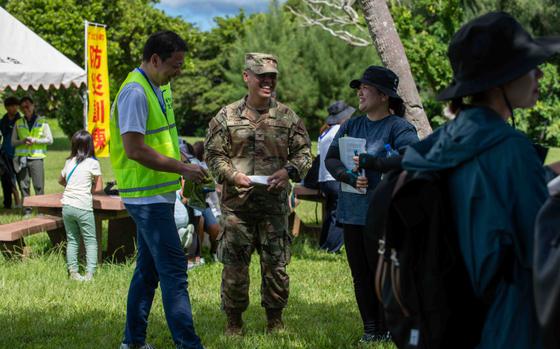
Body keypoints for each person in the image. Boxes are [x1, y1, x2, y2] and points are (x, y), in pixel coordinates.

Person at [400, 12, 560, 349]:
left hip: (456, 320)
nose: (540, 73)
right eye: (529, 65)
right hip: (510, 325)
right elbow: (542, 248)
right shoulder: (511, 149)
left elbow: (481, 203)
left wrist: (547, 174)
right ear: (501, 79)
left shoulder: (447, 140)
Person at [109, 30, 206, 349]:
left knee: (148, 271)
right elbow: (135, 149)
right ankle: (188, 345)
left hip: (158, 194)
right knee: (175, 270)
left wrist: (185, 158)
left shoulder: (158, 87)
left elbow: (159, 138)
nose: (179, 71)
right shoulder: (135, 92)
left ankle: (132, 342)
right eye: (175, 64)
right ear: (154, 59)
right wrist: (182, 168)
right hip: (145, 197)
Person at [205, 52, 312, 335]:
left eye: (272, 77)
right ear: (246, 77)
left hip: (274, 207)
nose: (268, 82)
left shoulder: (288, 117)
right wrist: (232, 175)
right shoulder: (225, 116)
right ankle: (234, 323)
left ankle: (275, 321)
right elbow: (214, 155)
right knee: (234, 269)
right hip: (236, 209)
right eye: (262, 76)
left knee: (276, 267)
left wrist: (288, 172)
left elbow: (304, 154)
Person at [324, 66, 419, 343]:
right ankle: (371, 330)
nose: (359, 92)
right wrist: (347, 177)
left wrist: (376, 163)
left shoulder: (399, 127)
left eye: (365, 87)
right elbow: (331, 159)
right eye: (359, 87)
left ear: (384, 95)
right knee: (361, 275)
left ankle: (389, 328)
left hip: (385, 215)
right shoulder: (351, 125)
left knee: (383, 274)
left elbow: (411, 157)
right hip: (352, 211)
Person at [58, 130, 103, 281]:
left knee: (72, 240)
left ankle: (73, 273)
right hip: (83, 206)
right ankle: (90, 274)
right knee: (90, 240)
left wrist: (72, 185)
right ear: (90, 146)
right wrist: (87, 188)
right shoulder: (93, 163)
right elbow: (99, 188)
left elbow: (61, 180)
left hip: (67, 206)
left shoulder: (68, 162)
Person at [317, 100, 355, 253]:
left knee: (330, 213)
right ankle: (333, 248)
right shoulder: (341, 131)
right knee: (340, 214)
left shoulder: (324, 133)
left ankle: (324, 243)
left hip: (324, 179)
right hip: (336, 177)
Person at [11, 96, 53, 216]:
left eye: (28, 105)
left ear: (33, 106)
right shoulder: (18, 123)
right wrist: (22, 141)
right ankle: (27, 211)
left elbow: (50, 140)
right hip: (22, 159)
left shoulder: (42, 122)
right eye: (23, 107)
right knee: (24, 186)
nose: (26, 109)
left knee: (39, 186)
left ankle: (41, 211)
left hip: (36, 158)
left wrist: (35, 140)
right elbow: (13, 142)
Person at [192, 141, 221, 260]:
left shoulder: (211, 167)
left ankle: (214, 252)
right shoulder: (196, 165)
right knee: (200, 223)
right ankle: (199, 255)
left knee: (215, 229)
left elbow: (215, 191)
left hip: (209, 204)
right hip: (197, 204)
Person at [0, 96, 21, 209]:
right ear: (6, 107)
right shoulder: (2, 121)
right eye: (12, 106)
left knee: (18, 179)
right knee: (6, 180)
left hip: (17, 154)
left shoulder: (20, 120)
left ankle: (20, 202)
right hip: (4, 154)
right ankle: (7, 204)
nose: (14, 108)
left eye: (16, 106)